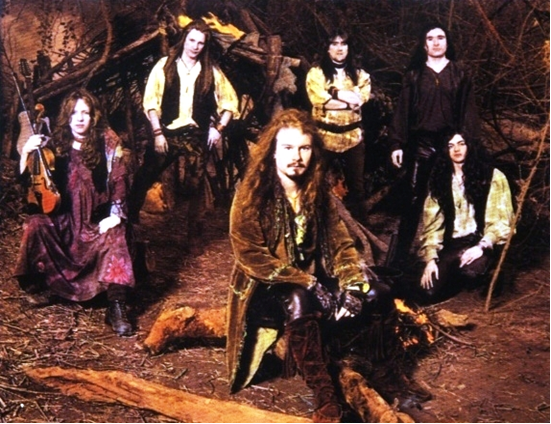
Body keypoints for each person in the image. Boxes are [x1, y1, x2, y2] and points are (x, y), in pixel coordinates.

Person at [226, 108, 386, 423]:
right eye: (287, 147)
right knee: (299, 297)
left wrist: (352, 286)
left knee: (377, 292)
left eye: (304, 148)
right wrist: (307, 282)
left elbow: (341, 245)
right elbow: (251, 256)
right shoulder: (251, 195)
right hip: (264, 290)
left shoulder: (317, 192)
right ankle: (326, 398)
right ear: (272, 151)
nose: (296, 156)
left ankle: (384, 375)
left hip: (312, 284)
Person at [13, 88, 135, 337]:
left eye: (85, 113)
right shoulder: (54, 143)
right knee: (36, 224)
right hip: (65, 220)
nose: (79, 118)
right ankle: (44, 286)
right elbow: (29, 183)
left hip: (94, 219)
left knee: (116, 233)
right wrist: (26, 152)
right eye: (74, 113)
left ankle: (116, 305)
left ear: (93, 116)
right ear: (66, 117)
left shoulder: (108, 141)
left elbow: (120, 179)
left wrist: (115, 214)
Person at [129, 19, 239, 253]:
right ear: (184, 39)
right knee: (145, 175)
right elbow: (151, 102)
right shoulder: (165, 66)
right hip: (167, 131)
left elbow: (230, 102)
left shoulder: (211, 71)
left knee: (196, 185)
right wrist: (158, 133)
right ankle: (128, 223)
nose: (195, 46)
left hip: (196, 133)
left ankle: (194, 237)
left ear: (205, 45)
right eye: (192, 40)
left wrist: (218, 128)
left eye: (200, 43)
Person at [387, 23, 480, 268]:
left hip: (451, 144)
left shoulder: (460, 73)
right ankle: (397, 262)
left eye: (441, 37)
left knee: (452, 197)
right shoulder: (415, 75)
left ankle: (449, 257)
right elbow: (403, 111)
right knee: (413, 200)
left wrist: (468, 143)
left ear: (448, 42)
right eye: (430, 38)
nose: (436, 42)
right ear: (424, 44)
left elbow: (468, 111)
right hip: (421, 144)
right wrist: (397, 143)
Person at [417, 134, 514, 304]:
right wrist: (431, 259)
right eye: (451, 145)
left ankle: (490, 269)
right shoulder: (440, 180)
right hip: (453, 244)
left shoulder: (492, 176)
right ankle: (455, 271)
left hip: (481, 241)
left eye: (461, 144)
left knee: (471, 273)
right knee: (429, 292)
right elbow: (432, 226)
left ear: (470, 147)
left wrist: (482, 246)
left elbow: (501, 221)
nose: (456, 149)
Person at [306, 29, 371, 222]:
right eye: (334, 44)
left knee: (357, 188)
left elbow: (359, 100)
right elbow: (320, 101)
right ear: (327, 48)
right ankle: (314, 228)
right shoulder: (316, 74)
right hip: (323, 137)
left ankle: (360, 231)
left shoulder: (360, 75)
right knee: (315, 184)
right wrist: (343, 99)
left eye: (343, 44)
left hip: (352, 138)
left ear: (349, 48)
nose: (339, 48)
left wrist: (334, 95)